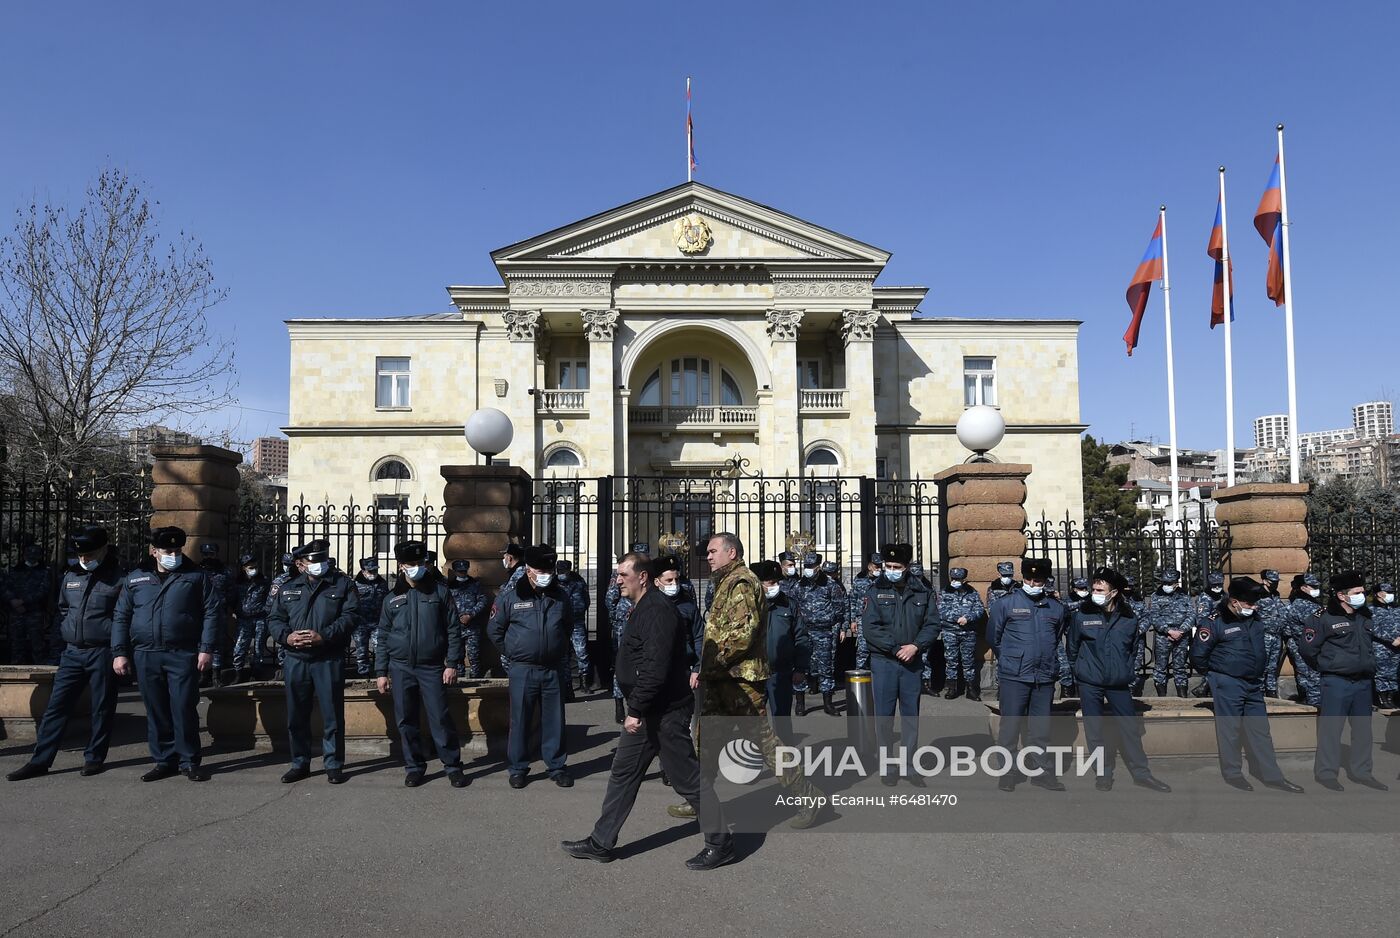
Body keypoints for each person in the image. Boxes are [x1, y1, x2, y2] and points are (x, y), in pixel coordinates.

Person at [561, 553, 732, 870]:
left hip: (664, 712)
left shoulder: (657, 611)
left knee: (687, 780)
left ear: (642, 577)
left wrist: (635, 709)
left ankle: (721, 842)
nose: (618, 579)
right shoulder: (642, 607)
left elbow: (655, 668)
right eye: (617, 573)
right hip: (647, 711)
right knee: (623, 773)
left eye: (624, 574)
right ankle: (601, 841)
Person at [672, 532, 823, 828]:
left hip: (740, 679)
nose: (709, 556)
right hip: (722, 678)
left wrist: (711, 664)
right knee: (707, 741)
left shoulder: (741, 582)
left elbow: (742, 635)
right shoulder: (726, 581)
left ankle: (808, 796)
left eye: (714, 551)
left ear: (731, 552)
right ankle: (698, 798)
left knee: (765, 743)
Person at [7, 526, 123, 781]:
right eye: (81, 555)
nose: (84, 560)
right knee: (56, 707)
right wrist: (67, 632)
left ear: (104, 549)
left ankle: (94, 757)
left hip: (102, 651)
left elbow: (123, 616)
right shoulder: (71, 576)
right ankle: (40, 760)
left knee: (102, 708)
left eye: (90, 555)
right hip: (72, 652)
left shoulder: (118, 578)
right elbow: (63, 608)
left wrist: (116, 647)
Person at [112, 526, 221, 782]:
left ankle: (189, 760)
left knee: (183, 707)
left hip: (182, 652)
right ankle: (164, 760)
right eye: (167, 550)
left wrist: (206, 649)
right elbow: (121, 615)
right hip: (146, 653)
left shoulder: (195, 576)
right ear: (154, 551)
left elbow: (212, 612)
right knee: (156, 709)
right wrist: (119, 652)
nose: (173, 554)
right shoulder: (136, 578)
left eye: (177, 550)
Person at [1189, 577, 1304, 793]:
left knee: (1260, 731)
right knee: (1230, 730)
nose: (1254, 607)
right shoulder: (1214, 621)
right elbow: (1198, 656)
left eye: (1255, 603)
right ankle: (1233, 774)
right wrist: (1216, 676)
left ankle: (1272, 775)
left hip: (1253, 683)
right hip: (1228, 682)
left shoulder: (1253, 618)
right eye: (1250, 603)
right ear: (1234, 601)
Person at [1066, 567, 1171, 793]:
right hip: (1090, 681)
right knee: (1095, 730)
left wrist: (1124, 670)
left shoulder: (1128, 618)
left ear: (1113, 593)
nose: (1094, 593)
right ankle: (1102, 774)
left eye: (1100, 589)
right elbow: (1072, 648)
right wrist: (1081, 671)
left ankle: (1141, 774)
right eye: (1093, 589)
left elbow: (1132, 650)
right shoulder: (1081, 615)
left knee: (1129, 728)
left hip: (1118, 682)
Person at [375, 540, 468, 788]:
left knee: (440, 717)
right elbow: (383, 635)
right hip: (401, 666)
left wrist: (452, 664)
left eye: (421, 563)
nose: (417, 568)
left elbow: (453, 629)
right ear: (401, 565)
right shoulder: (392, 597)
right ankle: (415, 766)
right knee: (406, 720)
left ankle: (452, 766)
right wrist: (381, 671)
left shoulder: (439, 592)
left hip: (432, 666)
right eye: (411, 564)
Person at [268, 539, 358, 784]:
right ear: (300, 564)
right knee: (297, 715)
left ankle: (333, 764)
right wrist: (287, 637)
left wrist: (324, 636)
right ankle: (300, 762)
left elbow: (351, 616)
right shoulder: (287, 588)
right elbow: (274, 619)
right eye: (314, 561)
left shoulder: (342, 585)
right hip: (296, 660)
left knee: (332, 716)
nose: (320, 564)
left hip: (327, 658)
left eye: (323, 559)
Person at [488, 543, 573, 789]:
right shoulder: (511, 596)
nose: (546, 574)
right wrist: (514, 652)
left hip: (552, 668)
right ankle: (518, 768)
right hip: (523, 669)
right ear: (528, 570)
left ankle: (556, 766)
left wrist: (555, 648)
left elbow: (567, 627)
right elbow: (495, 630)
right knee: (520, 720)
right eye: (541, 569)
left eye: (549, 569)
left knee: (554, 719)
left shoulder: (560, 596)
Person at [1301, 571, 1390, 791]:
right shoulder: (1322, 617)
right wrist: (1327, 667)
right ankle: (1327, 773)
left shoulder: (1365, 615)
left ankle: (1362, 772)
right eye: (1357, 592)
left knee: (1363, 732)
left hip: (1363, 683)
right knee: (1331, 730)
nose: (1363, 596)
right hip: (1336, 682)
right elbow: (1307, 649)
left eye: (1363, 591)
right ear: (1342, 595)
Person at [987, 558, 1068, 792]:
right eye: (1030, 579)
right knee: (1010, 727)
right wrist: (1012, 659)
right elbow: (994, 637)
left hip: (1044, 675)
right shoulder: (1006, 604)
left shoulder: (1056, 607)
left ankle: (1041, 771)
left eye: (1039, 580)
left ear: (1046, 581)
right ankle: (1008, 772)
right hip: (1015, 676)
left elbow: (1057, 635)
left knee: (1041, 729)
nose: (1034, 583)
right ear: (1023, 578)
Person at [861, 543, 940, 785]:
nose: (891, 570)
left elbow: (932, 624)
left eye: (897, 567)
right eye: (888, 566)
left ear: (907, 567)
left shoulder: (922, 592)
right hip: (884, 662)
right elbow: (870, 628)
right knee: (884, 717)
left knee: (910, 716)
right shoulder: (875, 591)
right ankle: (887, 766)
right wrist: (896, 649)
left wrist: (915, 646)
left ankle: (909, 766)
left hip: (911, 663)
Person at [752, 560, 808, 738]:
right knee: (753, 722)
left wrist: (800, 668)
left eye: (778, 582)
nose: (776, 586)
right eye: (771, 583)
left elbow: (801, 637)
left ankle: (785, 758)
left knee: (782, 719)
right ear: (759, 584)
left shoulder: (788, 604)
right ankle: (754, 761)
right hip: (753, 674)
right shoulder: (748, 605)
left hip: (781, 672)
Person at [793, 552, 845, 716]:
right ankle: (800, 704)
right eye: (806, 567)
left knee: (825, 668)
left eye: (811, 567)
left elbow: (839, 609)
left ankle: (828, 704)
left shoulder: (830, 586)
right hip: (803, 633)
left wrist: (826, 620)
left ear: (818, 567)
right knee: (801, 667)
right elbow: (793, 608)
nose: (808, 570)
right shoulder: (799, 586)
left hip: (823, 632)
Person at [938, 567, 986, 701]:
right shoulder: (944, 592)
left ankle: (970, 689)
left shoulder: (972, 592)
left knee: (968, 661)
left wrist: (968, 618)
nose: (955, 581)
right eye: (953, 578)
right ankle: (952, 688)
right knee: (951, 661)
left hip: (968, 632)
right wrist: (955, 618)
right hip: (950, 631)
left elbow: (980, 609)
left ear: (964, 579)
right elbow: (940, 610)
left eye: (958, 579)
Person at [1146, 569, 1194, 698]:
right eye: (1165, 582)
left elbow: (1191, 615)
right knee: (1160, 667)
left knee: (1180, 667)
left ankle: (1182, 697)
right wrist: (1168, 631)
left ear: (1176, 583)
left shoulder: (1185, 596)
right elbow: (1154, 617)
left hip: (1182, 636)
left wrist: (1181, 631)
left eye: (1170, 583)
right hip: (1163, 636)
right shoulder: (1156, 596)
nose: (1167, 585)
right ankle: (1162, 698)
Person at [1282, 573, 1324, 705]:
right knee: (1310, 677)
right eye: (1312, 586)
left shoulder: (1311, 603)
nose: (1316, 588)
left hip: (1312, 646)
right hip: (1305, 646)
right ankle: (1312, 704)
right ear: (1303, 588)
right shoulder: (1302, 605)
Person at [7, 543, 52, 665]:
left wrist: (22, 601)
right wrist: (13, 601)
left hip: (35, 612)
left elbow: (43, 591)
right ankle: (15, 669)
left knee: (37, 644)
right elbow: (6, 587)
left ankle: (40, 669)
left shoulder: (44, 572)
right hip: (16, 613)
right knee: (17, 644)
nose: (32, 556)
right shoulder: (16, 570)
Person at [230, 554, 271, 684]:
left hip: (260, 618)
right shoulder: (238, 582)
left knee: (259, 647)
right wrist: (234, 611)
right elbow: (232, 598)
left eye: (255, 566)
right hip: (243, 619)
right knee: (240, 647)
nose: (254, 569)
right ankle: (238, 673)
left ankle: (256, 673)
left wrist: (266, 611)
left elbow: (270, 598)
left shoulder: (264, 581)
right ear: (244, 568)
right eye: (250, 567)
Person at [197, 543, 232, 688]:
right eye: (205, 554)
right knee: (200, 644)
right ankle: (203, 675)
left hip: (218, 612)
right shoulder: (197, 571)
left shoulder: (224, 572)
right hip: (200, 612)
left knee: (217, 644)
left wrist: (226, 603)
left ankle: (216, 676)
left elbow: (232, 590)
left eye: (211, 554)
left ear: (216, 554)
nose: (208, 557)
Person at [445, 559, 487, 681]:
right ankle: (459, 679)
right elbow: (445, 605)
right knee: (457, 656)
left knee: (474, 655)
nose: (462, 573)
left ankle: (476, 678)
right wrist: (456, 618)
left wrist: (471, 614)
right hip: (456, 627)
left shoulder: (475, 584)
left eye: (464, 571)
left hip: (472, 627)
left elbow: (483, 601)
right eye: (460, 571)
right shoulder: (449, 586)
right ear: (455, 571)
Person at [557, 559, 592, 693]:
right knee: (563, 654)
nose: (561, 574)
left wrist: (581, 610)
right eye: (559, 571)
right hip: (561, 623)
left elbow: (586, 599)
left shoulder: (578, 581)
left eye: (564, 571)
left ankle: (584, 682)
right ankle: (567, 685)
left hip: (577, 622)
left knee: (581, 652)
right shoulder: (554, 582)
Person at [352, 557, 388, 678]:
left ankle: (380, 672)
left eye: (375, 571)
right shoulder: (355, 584)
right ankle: (364, 673)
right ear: (363, 571)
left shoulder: (382, 583)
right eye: (370, 571)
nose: (373, 574)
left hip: (377, 621)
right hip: (360, 623)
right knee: (361, 649)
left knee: (379, 648)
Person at [1255, 569, 1288, 699]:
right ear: (1264, 581)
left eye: (1276, 582)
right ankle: (1260, 690)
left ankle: (1271, 689)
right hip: (1265, 635)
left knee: (1273, 665)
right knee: (1263, 664)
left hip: (1277, 635)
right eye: (1272, 582)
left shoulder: (1275, 595)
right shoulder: (1258, 595)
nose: (1275, 584)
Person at [848, 553, 882, 671]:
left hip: (880, 619)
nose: (878, 569)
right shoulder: (860, 580)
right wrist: (853, 620)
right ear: (869, 566)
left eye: (880, 566)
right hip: (862, 618)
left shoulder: (885, 580)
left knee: (880, 647)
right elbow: (853, 600)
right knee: (863, 648)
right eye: (875, 566)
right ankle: (861, 673)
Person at [1370, 581, 1400, 709]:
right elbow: (1373, 628)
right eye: (1387, 592)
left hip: (1397, 647)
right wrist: (1390, 640)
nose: (1390, 594)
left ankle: (1390, 697)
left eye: (1391, 592)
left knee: (1393, 673)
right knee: (1382, 673)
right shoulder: (1371, 610)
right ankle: (1382, 698)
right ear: (1378, 594)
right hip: (1381, 647)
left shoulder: (1396, 608)